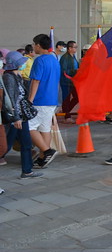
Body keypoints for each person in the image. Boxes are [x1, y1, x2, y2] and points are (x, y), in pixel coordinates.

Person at [2, 51, 43, 178]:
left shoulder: (16, 75)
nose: (23, 64)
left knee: (26, 143)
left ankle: (27, 170)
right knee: (5, 146)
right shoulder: (8, 77)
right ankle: (26, 170)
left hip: (21, 116)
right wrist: (16, 118)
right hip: (15, 118)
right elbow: (11, 99)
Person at [29, 34, 60, 169]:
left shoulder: (39, 60)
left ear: (39, 45)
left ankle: (47, 151)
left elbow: (36, 81)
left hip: (40, 99)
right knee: (44, 129)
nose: (34, 47)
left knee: (29, 127)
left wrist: (30, 100)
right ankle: (43, 158)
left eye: (34, 44)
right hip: (51, 99)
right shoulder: (54, 59)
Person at [59, 40, 79, 122]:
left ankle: (66, 111)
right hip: (66, 82)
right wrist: (75, 71)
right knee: (66, 98)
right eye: (75, 47)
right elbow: (64, 71)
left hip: (73, 82)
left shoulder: (73, 57)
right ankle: (67, 116)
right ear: (69, 48)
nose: (76, 49)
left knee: (77, 97)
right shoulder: (65, 58)